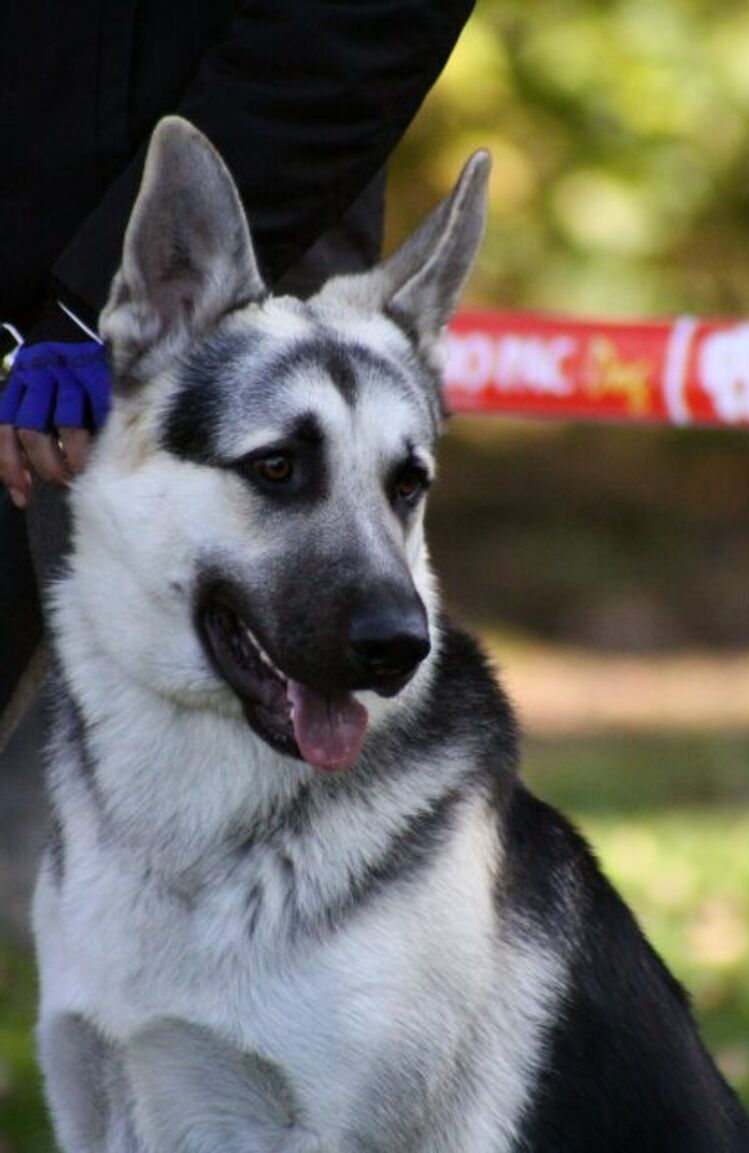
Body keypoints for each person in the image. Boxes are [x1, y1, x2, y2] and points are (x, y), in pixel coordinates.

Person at [0, 0, 474, 936]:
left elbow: (366, 24)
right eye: (278, 472)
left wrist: (86, 306)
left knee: (263, 929)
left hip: (234, 265)